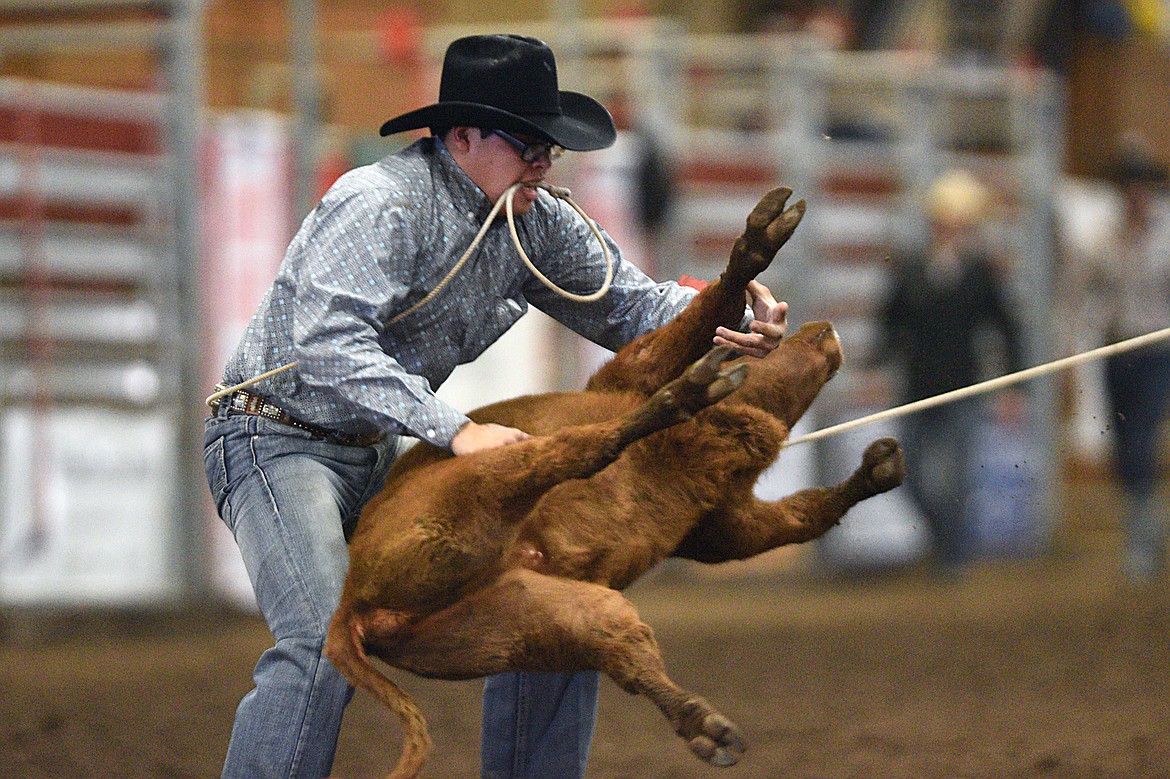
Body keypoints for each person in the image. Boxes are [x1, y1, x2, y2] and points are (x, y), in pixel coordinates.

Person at [202, 34, 788, 779]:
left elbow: (635, 304)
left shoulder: (532, 218)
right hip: (271, 438)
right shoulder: (378, 203)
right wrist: (458, 431)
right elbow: (328, 346)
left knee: (555, 592)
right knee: (319, 640)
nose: (543, 163)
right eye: (528, 145)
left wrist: (727, 306)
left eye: (550, 148)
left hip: (377, 448)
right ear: (462, 135)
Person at [872, 168, 1025, 573]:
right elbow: (889, 321)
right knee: (912, 477)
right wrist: (877, 364)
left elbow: (1007, 327)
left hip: (962, 389)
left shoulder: (979, 272)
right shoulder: (910, 269)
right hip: (918, 388)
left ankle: (953, 558)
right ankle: (946, 545)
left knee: (955, 482)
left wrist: (1014, 387)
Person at [1064, 135, 1170, 584]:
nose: (1136, 193)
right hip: (1116, 349)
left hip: (1156, 350)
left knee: (1141, 436)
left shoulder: (1166, 234)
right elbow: (1078, 292)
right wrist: (1073, 345)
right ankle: (1144, 523)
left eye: (1141, 183)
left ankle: (1141, 536)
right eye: (1129, 184)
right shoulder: (1102, 237)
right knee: (1124, 443)